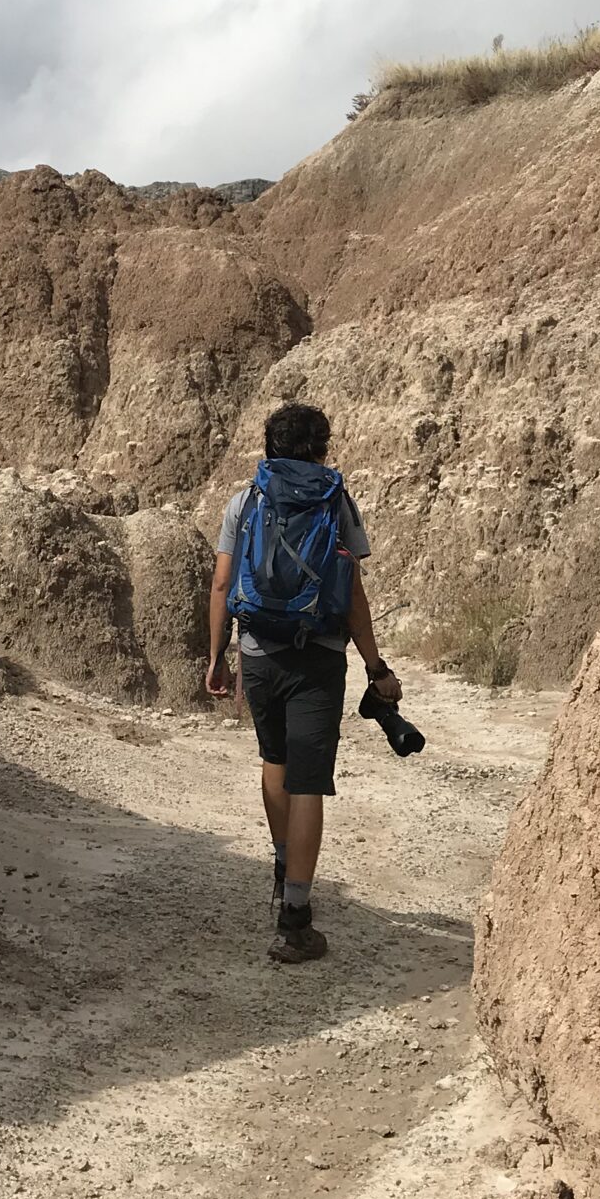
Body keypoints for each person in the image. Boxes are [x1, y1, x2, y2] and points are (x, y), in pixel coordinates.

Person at [206, 402, 401, 964]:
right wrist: (376, 666)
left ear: (269, 446)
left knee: (275, 761)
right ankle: (295, 919)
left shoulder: (246, 500)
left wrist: (217, 655)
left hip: (258, 651)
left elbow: (222, 585)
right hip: (317, 654)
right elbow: (354, 592)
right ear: (322, 448)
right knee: (310, 782)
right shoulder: (335, 500)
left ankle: (282, 859)